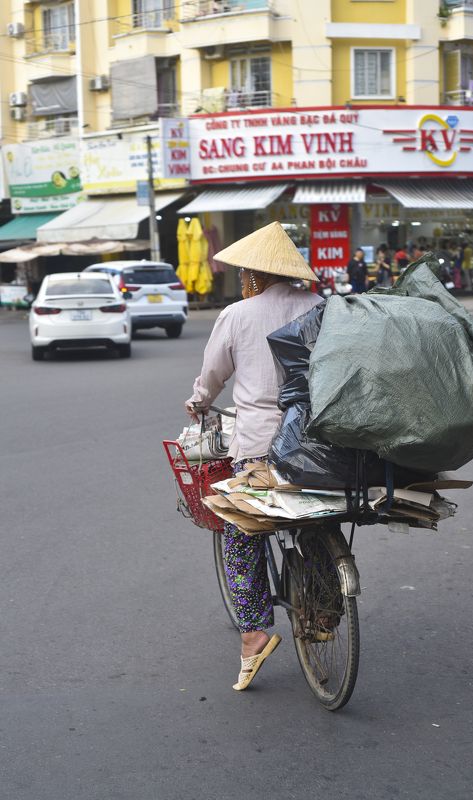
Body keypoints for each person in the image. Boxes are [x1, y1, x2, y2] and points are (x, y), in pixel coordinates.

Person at [185, 222, 321, 691]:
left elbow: (213, 374)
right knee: (318, 520)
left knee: (241, 536)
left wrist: (200, 401)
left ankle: (253, 636)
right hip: (321, 447)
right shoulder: (322, 307)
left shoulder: (239, 314)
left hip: (260, 448)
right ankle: (322, 612)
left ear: (254, 275)